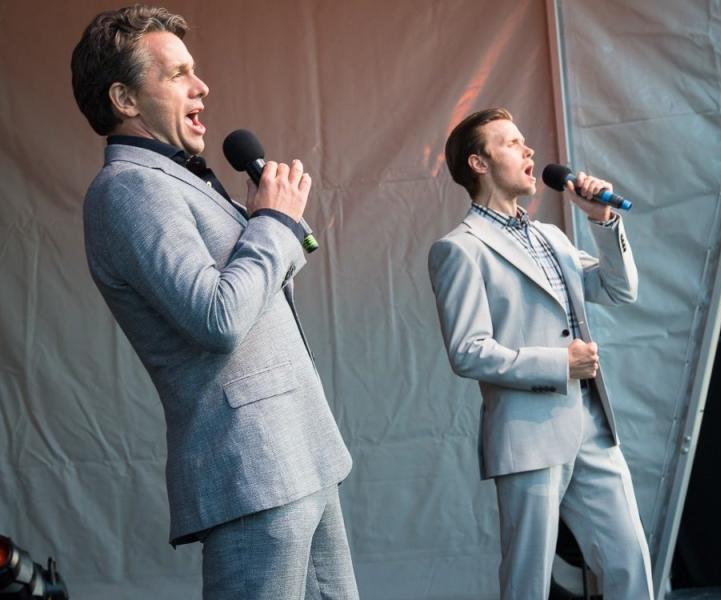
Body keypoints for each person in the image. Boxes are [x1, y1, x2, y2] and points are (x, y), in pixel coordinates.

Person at [71, 6, 357, 599]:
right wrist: (273, 223)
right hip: (251, 468)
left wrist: (266, 226)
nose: (201, 86)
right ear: (125, 98)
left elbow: (254, 304)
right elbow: (217, 317)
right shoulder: (127, 190)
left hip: (300, 453)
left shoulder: (182, 179)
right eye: (177, 74)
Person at [427, 108, 654, 600]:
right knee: (529, 581)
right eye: (511, 143)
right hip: (528, 432)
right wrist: (558, 363)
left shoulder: (551, 236)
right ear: (479, 163)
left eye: (524, 141)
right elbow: (468, 351)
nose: (529, 151)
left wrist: (601, 218)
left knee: (628, 562)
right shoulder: (459, 249)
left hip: (592, 423)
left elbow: (619, 289)